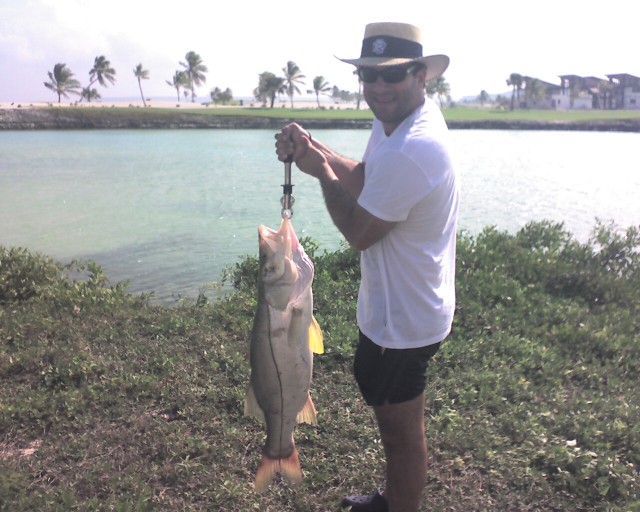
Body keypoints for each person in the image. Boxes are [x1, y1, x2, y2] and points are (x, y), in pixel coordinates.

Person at [275, 22, 459, 512]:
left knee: (403, 435)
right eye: (368, 76)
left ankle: (399, 507)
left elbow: (359, 232)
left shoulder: (415, 147)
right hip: (395, 309)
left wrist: (320, 172)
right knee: (392, 419)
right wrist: (318, 151)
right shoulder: (396, 121)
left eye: (392, 75)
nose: (378, 87)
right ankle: (390, 498)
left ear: (421, 75)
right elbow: (370, 177)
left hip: (406, 321)